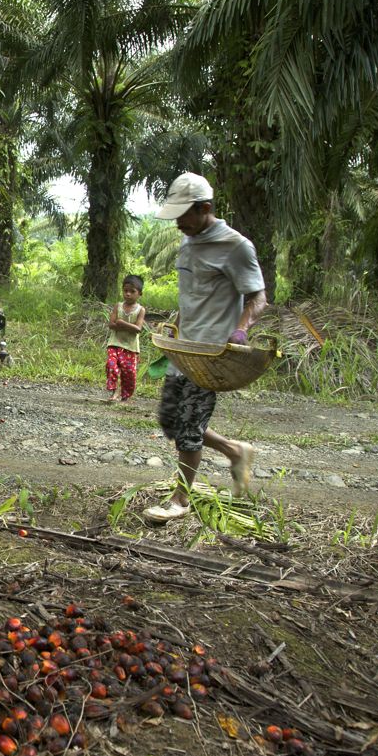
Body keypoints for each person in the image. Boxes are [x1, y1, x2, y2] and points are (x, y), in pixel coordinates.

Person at [143, 172, 267, 523]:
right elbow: (193, 294)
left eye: (185, 215)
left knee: (188, 429)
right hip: (182, 349)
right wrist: (175, 323)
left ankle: (181, 500)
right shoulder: (188, 241)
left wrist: (241, 330)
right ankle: (235, 450)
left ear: (206, 208)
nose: (179, 223)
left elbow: (259, 297)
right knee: (171, 422)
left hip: (211, 354)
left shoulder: (236, 246)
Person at [105, 275, 146, 402]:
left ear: (140, 293)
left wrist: (122, 324)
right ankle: (114, 392)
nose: (127, 294)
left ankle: (125, 395)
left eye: (132, 291)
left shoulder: (140, 310)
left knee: (129, 372)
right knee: (111, 365)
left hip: (130, 346)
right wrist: (122, 325)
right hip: (115, 343)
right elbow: (111, 324)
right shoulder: (118, 306)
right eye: (125, 290)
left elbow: (138, 329)